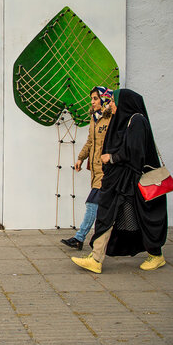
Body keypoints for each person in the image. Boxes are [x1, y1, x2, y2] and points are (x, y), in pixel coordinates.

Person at [71, 89, 168, 274]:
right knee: (107, 215)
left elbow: (136, 152)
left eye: (113, 102)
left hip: (134, 182)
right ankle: (96, 258)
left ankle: (156, 255)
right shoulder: (122, 121)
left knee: (139, 219)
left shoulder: (137, 121)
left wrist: (112, 158)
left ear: (125, 103)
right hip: (121, 181)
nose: (110, 105)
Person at [61, 87, 113, 250]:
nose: (92, 102)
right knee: (102, 206)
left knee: (92, 203)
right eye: (91, 98)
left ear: (104, 99)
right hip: (96, 169)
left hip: (107, 170)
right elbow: (91, 141)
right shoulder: (94, 118)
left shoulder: (112, 119)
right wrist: (80, 158)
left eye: (96, 98)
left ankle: (79, 238)